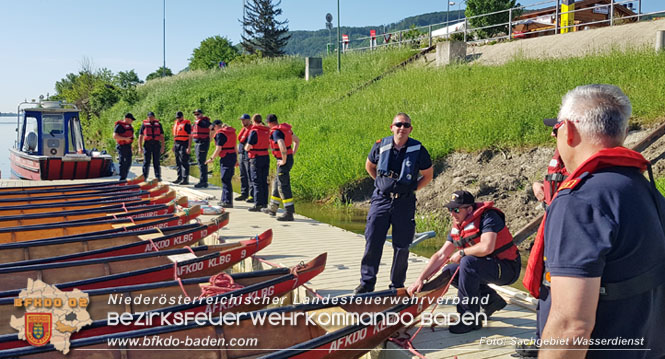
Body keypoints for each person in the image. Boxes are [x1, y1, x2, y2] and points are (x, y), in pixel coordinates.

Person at [524, 84, 665, 359]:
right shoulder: (645, 188)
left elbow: (571, 326)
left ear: (568, 130)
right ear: (622, 133)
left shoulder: (580, 201)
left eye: (555, 131)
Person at [408, 190, 521, 334]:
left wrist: (462, 252)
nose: (452, 213)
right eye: (450, 209)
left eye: (456, 209)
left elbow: (487, 247)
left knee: (467, 262)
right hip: (486, 266)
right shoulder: (459, 225)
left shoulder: (489, 217)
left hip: (507, 269)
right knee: (450, 271)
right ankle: (492, 300)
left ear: (469, 209)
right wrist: (420, 279)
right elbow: (441, 254)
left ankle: (469, 318)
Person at [355, 112, 434, 295]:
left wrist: (412, 189)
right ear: (392, 127)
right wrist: (381, 184)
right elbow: (369, 165)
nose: (402, 128)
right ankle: (367, 283)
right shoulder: (380, 145)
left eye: (406, 125)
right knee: (373, 241)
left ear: (410, 129)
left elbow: (428, 175)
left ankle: (396, 286)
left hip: (404, 203)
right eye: (398, 124)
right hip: (381, 200)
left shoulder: (418, 149)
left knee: (402, 246)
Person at [262, 114, 300, 221]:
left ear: (269, 123)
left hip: (284, 161)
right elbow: (297, 141)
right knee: (277, 183)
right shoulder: (285, 130)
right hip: (288, 158)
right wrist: (291, 154)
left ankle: (289, 212)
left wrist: (284, 160)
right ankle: (272, 208)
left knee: (283, 186)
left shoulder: (276, 132)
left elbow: (282, 146)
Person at [205, 120, 237, 208]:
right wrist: (237, 159)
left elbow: (218, 148)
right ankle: (224, 200)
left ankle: (228, 201)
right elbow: (235, 146)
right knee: (226, 179)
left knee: (225, 179)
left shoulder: (220, 134)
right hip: (232, 156)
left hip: (226, 157)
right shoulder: (231, 132)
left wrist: (211, 158)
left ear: (215, 126)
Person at [244, 114, 270, 211]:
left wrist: (246, 147)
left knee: (256, 181)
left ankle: (258, 204)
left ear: (253, 121)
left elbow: (248, 146)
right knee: (264, 180)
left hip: (256, 158)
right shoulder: (267, 130)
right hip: (265, 156)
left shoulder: (254, 131)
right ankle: (264, 203)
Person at [138, 111, 164, 181]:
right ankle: (144, 177)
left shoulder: (159, 125)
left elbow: (162, 136)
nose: (150, 118)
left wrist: (162, 147)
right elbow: (140, 136)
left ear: (154, 117)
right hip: (147, 144)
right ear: (147, 118)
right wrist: (140, 147)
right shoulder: (144, 125)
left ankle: (158, 177)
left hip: (156, 144)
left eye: (152, 117)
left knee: (156, 161)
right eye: (149, 117)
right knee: (146, 161)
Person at [235, 114, 254, 203]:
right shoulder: (244, 129)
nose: (242, 122)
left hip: (248, 155)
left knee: (250, 175)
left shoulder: (252, 130)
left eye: (244, 120)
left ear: (249, 120)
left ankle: (252, 195)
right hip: (241, 154)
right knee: (243, 175)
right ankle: (244, 193)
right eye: (241, 120)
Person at [192, 109, 211, 188]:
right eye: (195, 114)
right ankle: (203, 181)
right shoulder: (196, 122)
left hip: (202, 143)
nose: (196, 116)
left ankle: (203, 181)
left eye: (198, 114)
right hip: (198, 143)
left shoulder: (204, 122)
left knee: (201, 162)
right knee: (200, 162)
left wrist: (211, 138)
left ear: (201, 114)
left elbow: (211, 127)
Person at [113, 113, 135, 181]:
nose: (132, 121)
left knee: (129, 161)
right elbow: (114, 136)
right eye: (131, 119)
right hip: (121, 146)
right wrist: (125, 139)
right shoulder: (119, 126)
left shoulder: (130, 126)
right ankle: (122, 178)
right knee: (122, 161)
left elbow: (131, 137)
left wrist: (131, 145)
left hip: (128, 146)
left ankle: (124, 177)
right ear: (127, 119)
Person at [171, 111, 191, 185]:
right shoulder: (176, 123)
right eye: (177, 118)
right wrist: (174, 145)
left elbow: (190, 136)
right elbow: (175, 136)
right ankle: (179, 178)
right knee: (178, 161)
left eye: (179, 117)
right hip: (177, 144)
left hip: (184, 143)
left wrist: (189, 147)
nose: (178, 119)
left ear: (182, 117)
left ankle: (185, 179)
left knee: (184, 161)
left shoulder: (186, 124)